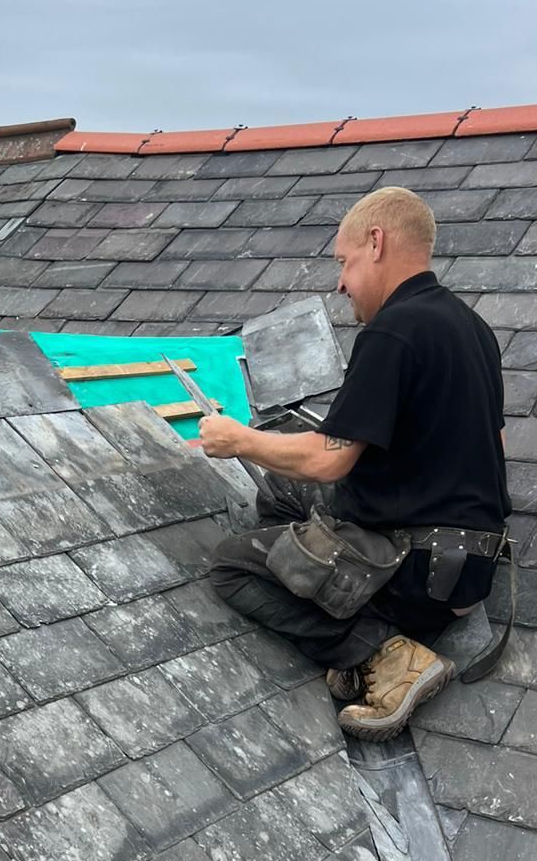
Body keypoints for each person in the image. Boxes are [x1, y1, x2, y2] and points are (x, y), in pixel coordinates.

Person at [200, 185, 510, 739]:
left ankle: (385, 654)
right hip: (467, 562)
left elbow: (327, 461)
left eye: (343, 262)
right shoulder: (471, 327)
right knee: (279, 491)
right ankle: (334, 589)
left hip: (416, 570)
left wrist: (237, 438)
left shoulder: (393, 330)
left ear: (376, 241)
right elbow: (495, 443)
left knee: (231, 565)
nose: (340, 282)